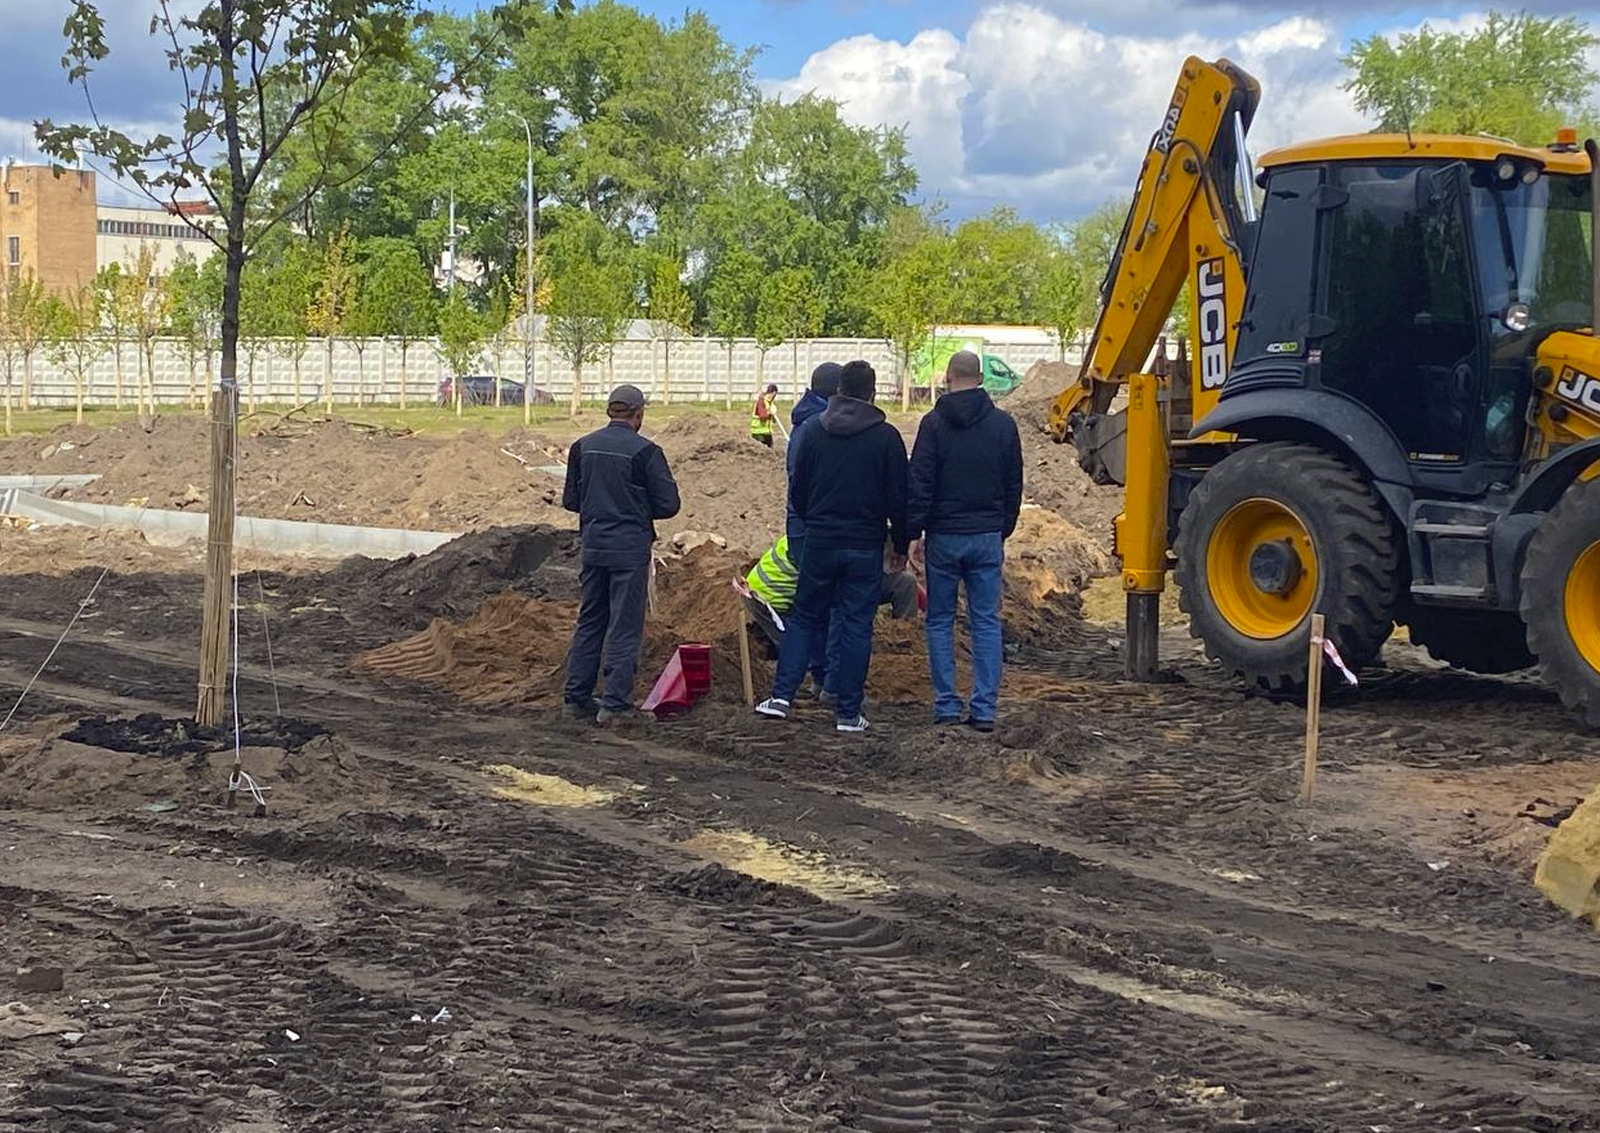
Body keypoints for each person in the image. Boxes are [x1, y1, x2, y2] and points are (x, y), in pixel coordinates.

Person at [756, 360, 909, 733]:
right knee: (857, 624)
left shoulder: (812, 432)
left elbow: (799, 491)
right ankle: (847, 713)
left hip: (820, 540)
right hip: (864, 544)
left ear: (838, 390)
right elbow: (898, 497)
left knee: (805, 616)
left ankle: (780, 697)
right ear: (872, 393)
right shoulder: (886, 438)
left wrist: (813, 524)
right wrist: (900, 542)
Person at [907, 350, 1023, 733]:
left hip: (944, 536)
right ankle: (985, 709)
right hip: (986, 535)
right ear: (980, 378)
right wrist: (1002, 526)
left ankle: (945, 705)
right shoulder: (1004, 426)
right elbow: (1013, 483)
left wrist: (913, 532)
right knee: (986, 622)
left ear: (948, 377)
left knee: (940, 621)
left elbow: (920, 482)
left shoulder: (933, 425)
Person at [561, 384, 681, 726]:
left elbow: (572, 501)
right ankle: (615, 705)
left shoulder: (582, 447)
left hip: (594, 545)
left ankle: (576, 698)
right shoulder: (646, 452)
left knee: (591, 620)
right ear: (639, 414)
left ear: (609, 411)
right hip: (629, 549)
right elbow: (668, 505)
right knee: (625, 626)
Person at [743, 534, 919, 657]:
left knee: (904, 583)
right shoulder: (819, 543)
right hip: (769, 599)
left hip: (789, 592)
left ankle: (904, 642)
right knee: (801, 652)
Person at [785, 361, 842, 694]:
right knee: (829, 603)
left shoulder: (801, 423)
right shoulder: (818, 426)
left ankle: (814, 675)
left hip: (799, 523)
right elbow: (805, 482)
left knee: (811, 601)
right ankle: (826, 678)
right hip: (814, 524)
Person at [750, 382, 780, 447]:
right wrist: (769, 412)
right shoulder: (761, 401)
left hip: (767, 432)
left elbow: (774, 421)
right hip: (758, 433)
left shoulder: (771, 404)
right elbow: (762, 417)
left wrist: (774, 413)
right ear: (774, 393)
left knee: (770, 452)